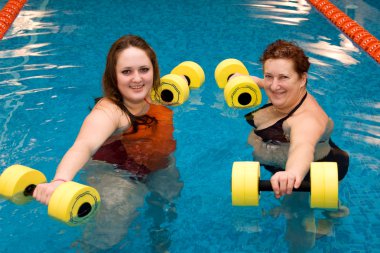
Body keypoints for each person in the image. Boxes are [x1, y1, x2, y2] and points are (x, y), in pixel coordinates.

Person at [33, 34, 177, 204]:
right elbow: (84, 146)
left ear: (154, 70)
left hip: (155, 168)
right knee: (116, 213)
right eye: (126, 72)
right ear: (113, 76)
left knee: (169, 202)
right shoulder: (109, 111)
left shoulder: (150, 97)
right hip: (115, 175)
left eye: (144, 69)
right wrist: (60, 180)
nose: (137, 78)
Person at [242, 40, 349, 199]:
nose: (274, 86)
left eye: (283, 77)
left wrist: (291, 173)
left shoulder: (306, 120)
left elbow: (302, 147)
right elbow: (262, 82)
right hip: (281, 161)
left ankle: (336, 211)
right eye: (269, 76)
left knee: (295, 217)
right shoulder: (284, 92)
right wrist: (240, 80)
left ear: (302, 79)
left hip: (311, 175)